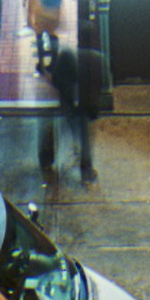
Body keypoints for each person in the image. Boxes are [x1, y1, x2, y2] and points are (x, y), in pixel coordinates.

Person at [44, 30, 111, 185]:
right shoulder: (99, 58)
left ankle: (47, 161)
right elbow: (105, 83)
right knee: (85, 137)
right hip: (88, 105)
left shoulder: (67, 55)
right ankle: (86, 171)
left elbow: (56, 80)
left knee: (57, 130)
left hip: (69, 104)